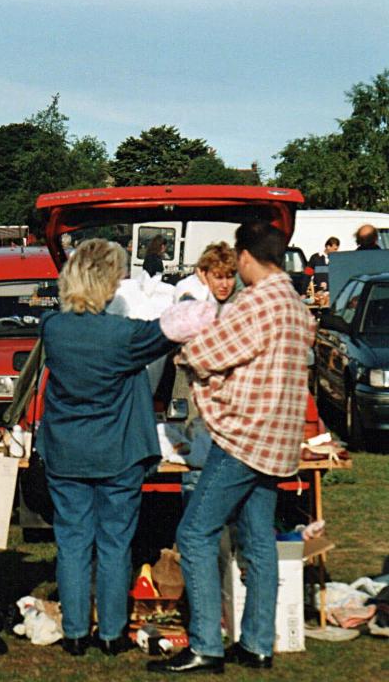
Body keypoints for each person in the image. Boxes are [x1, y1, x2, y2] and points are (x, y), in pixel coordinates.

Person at [151, 222, 316, 675]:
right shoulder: (296, 304)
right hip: (278, 440)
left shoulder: (259, 302)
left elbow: (206, 351)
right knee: (257, 538)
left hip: (244, 437)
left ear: (245, 257)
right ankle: (257, 644)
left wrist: (183, 343)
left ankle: (206, 645)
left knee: (195, 532)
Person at [38, 238, 176, 657]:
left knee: (73, 541)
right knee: (115, 543)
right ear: (107, 282)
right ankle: (112, 633)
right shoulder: (125, 335)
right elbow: (175, 328)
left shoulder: (52, 328)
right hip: (118, 452)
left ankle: (76, 633)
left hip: (66, 450)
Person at [173, 242, 237, 308]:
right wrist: (206, 289)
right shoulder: (187, 288)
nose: (225, 285)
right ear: (203, 274)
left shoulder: (236, 294)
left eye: (229, 277)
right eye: (218, 277)